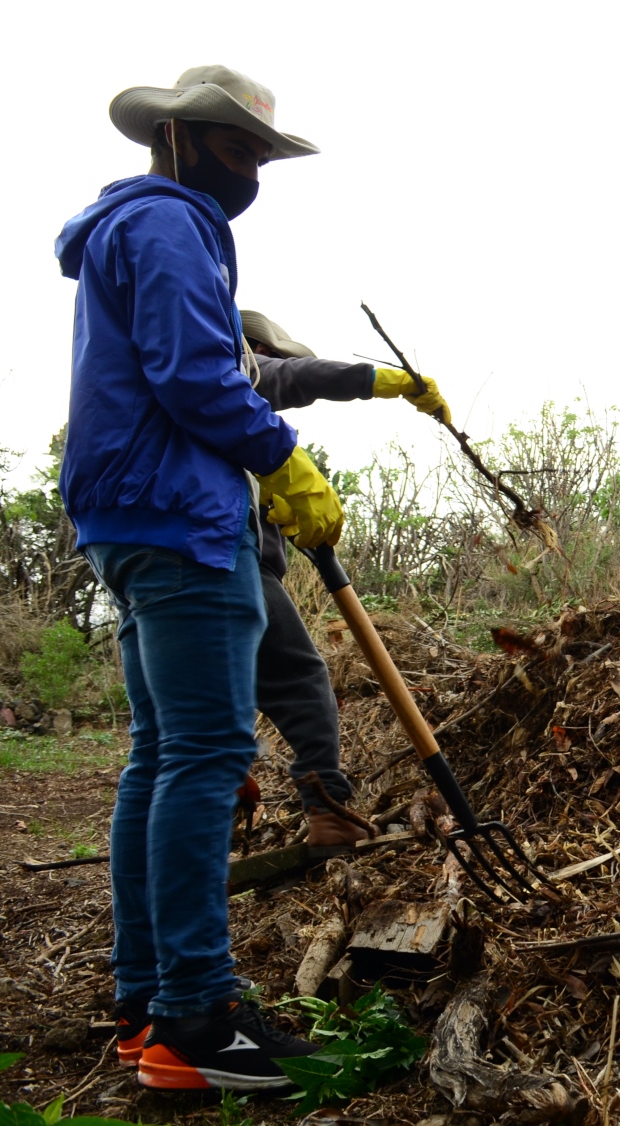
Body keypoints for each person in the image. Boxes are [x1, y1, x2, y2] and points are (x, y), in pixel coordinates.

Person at [55, 65, 334, 1092]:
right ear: (173, 136)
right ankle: (195, 1016)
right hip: (180, 517)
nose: (248, 167)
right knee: (208, 752)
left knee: (163, 753)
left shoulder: (127, 229)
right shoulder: (170, 222)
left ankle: (147, 1002)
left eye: (258, 152)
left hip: (127, 514)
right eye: (232, 146)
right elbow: (194, 375)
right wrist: (281, 457)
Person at [241, 311, 450, 845]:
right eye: (280, 361)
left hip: (158, 558)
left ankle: (211, 821)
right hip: (226, 562)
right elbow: (302, 378)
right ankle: (328, 812)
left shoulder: (200, 411)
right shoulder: (238, 373)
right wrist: (385, 382)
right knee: (300, 679)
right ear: (258, 351)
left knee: (203, 706)